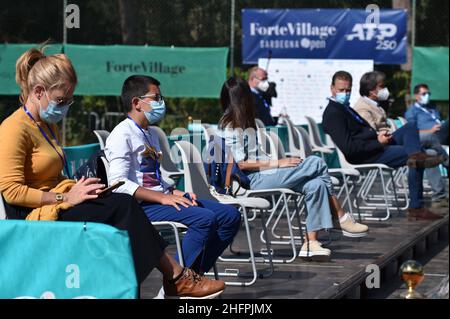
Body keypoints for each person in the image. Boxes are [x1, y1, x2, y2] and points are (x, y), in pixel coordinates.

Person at [0, 46, 225, 299]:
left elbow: (51, 178)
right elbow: (11, 192)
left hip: (56, 203)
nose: (65, 108)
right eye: (61, 101)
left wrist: (79, 187)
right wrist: (65, 198)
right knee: (124, 207)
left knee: (122, 208)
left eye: (68, 101)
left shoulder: (45, 125)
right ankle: (173, 276)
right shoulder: (13, 128)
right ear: (39, 92)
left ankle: (145, 284)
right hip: (34, 217)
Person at [104, 75, 241, 289]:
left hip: (159, 200)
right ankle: (177, 281)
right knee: (204, 219)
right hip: (139, 207)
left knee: (230, 216)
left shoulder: (151, 133)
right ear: (136, 103)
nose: (161, 102)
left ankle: (193, 275)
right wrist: (162, 197)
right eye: (156, 97)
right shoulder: (121, 134)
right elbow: (119, 183)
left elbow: (153, 178)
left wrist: (173, 192)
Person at [217, 77, 369, 261]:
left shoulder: (243, 122)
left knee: (315, 184)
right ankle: (340, 215)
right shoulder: (231, 125)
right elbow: (241, 164)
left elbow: (255, 156)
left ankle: (310, 242)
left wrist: (277, 161)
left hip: (263, 173)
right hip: (251, 180)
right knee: (317, 163)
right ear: (245, 98)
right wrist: (277, 163)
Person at [322, 71, 444, 221]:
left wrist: (378, 137)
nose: (345, 93)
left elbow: (363, 133)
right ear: (332, 89)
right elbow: (350, 149)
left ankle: (417, 161)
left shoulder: (345, 108)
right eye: (341, 90)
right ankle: (416, 207)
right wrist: (377, 142)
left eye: (348, 90)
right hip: (368, 155)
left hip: (377, 145)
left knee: (411, 128)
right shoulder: (333, 113)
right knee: (416, 154)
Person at [405, 83, 448, 208]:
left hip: (436, 141)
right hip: (423, 139)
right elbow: (410, 132)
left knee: (429, 155)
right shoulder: (412, 112)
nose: (427, 96)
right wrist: (430, 131)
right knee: (430, 144)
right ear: (416, 95)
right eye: (424, 94)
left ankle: (439, 197)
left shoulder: (432, 108)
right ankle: (447, 160)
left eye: (428, 93)